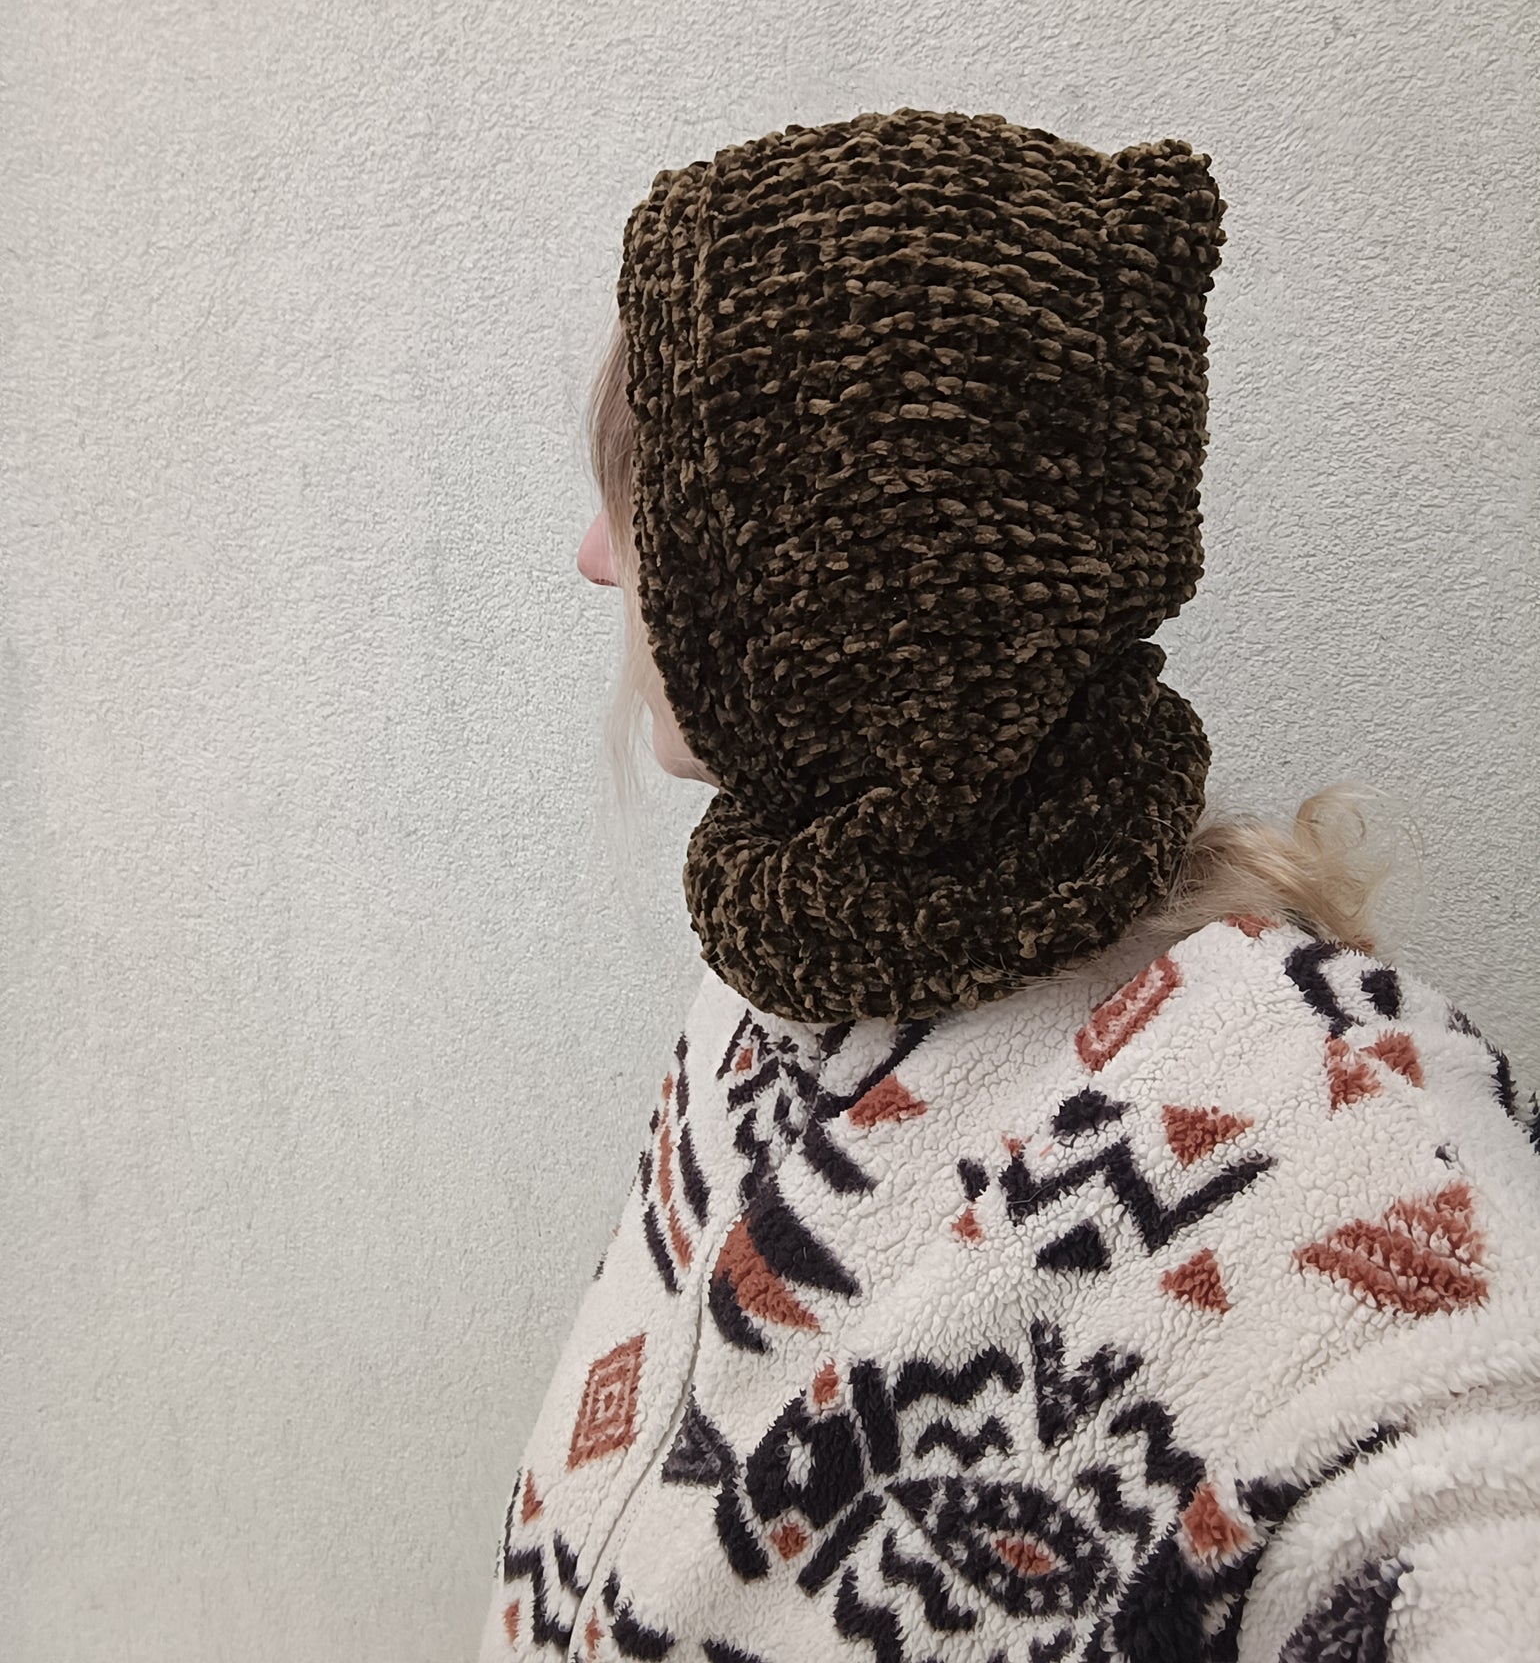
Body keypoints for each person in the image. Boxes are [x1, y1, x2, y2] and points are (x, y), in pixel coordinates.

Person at [477, 108, 1540, 1662]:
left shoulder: (1344, 1145)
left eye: (643, 499)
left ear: (828, 567)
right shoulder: (786, 968)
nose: (592, 556)